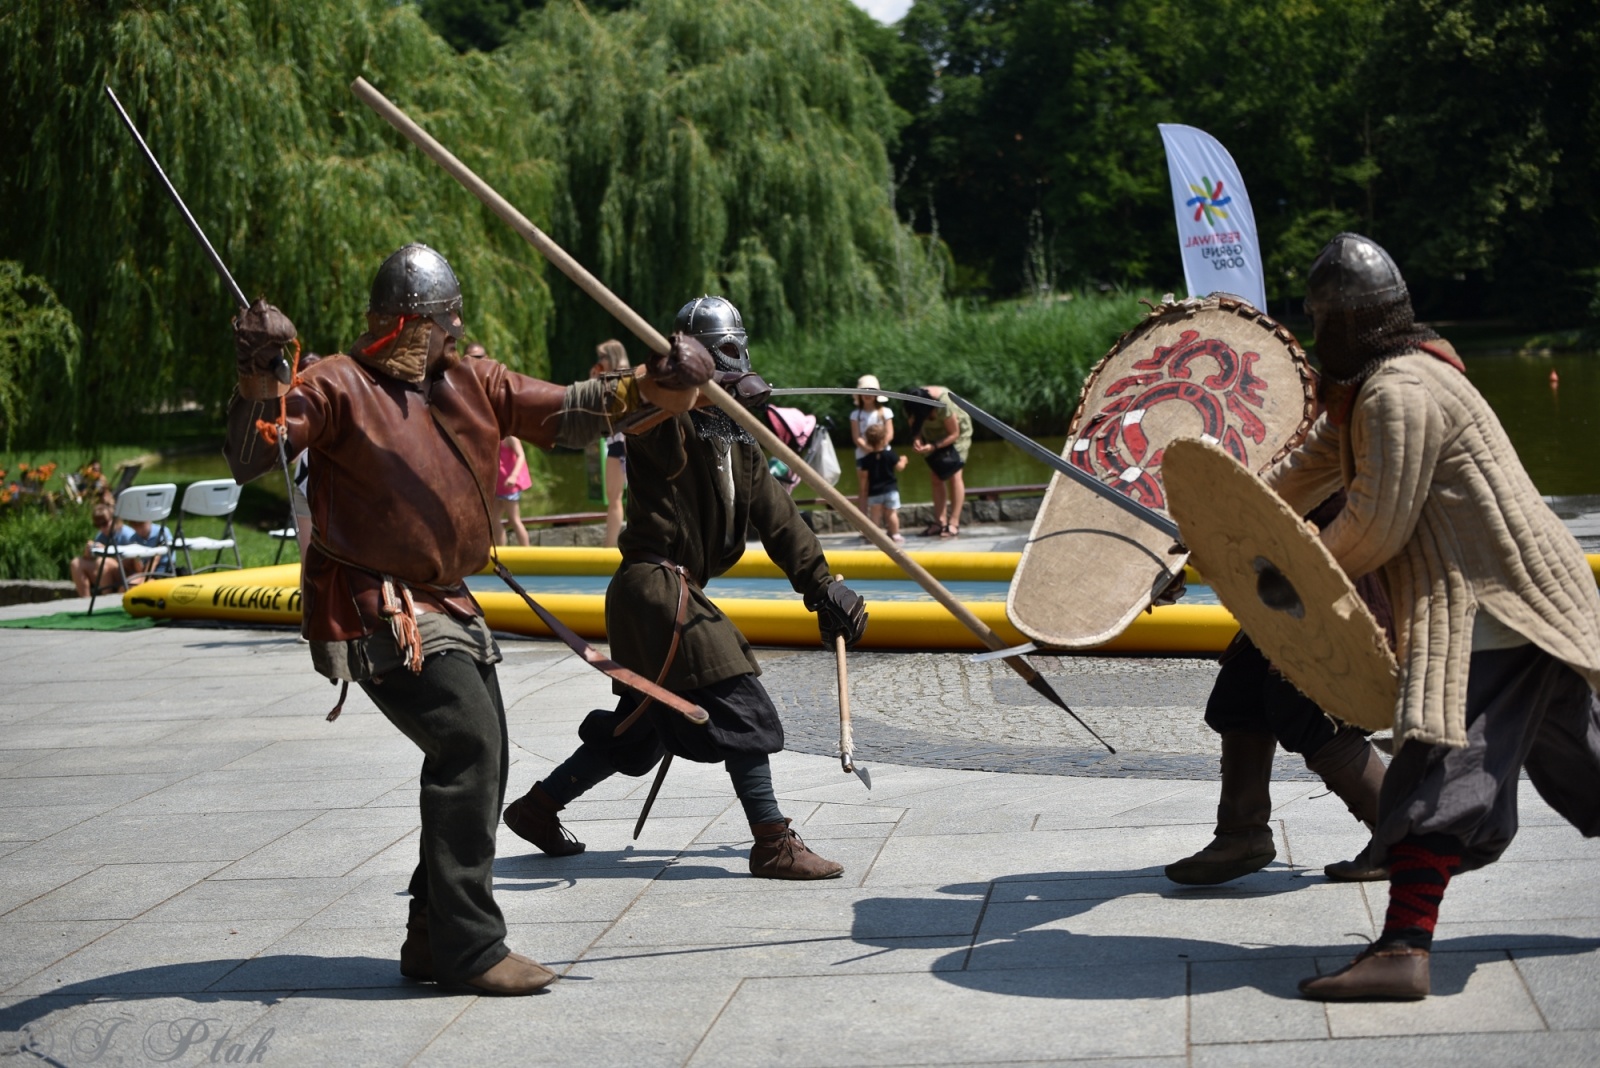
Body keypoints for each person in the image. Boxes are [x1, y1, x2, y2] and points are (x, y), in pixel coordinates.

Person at [222, 243, 711, 996]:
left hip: (447, 598)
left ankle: (429, 933)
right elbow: (256, 451)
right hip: (378, 603)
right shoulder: (336, 384)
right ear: (411, 324)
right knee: (469, 744)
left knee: (482, 754)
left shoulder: (471, 381)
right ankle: (469, 948)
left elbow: (568, 409)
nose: (453, 335)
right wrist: (261, 374)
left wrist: (654, 383)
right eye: (444, 324)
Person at [1255, 233, 1600, 1001]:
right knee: (1586, 762)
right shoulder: (1373, 386)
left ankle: (1404, 948)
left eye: (1322, 320)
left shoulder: (1399, 392)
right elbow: (1305, 470)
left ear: (1348, 321)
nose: (1316, 334)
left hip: (1495, 605)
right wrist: (1221, 523)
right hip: (1525, 602)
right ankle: (1404, 942)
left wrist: (1294, 573)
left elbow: (1375, 525)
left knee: (1441, 764)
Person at [502, 294, 868, 880]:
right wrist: (667, 382)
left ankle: (538, 808)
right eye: (721, 358)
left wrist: (822, 587)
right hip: (655, 590)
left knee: (642, 730)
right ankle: (771, 841)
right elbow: (628, 408)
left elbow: (779, 519)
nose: (735, 370)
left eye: (736, 356)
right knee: (742, 703)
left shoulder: (739, 441)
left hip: (671, 594)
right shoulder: (662, 422)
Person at [1165, 490, 1392, 886]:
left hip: (1329, 575)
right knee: (1242, 694)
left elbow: (1294, 489)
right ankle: (1242, 833)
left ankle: (1403, 837)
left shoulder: (1326, 456)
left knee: (1307, 705)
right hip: (1280, 578)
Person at [904, 386, 972, 537]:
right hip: (932, 435)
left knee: (955, 474)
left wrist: (934, 446)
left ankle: (954, 523)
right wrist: (917, 440)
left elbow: (954, 433)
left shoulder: (942, 403)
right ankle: (940, 522)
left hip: (956, 434)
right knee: (936, 476)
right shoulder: (911, 404)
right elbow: (914, 427)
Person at [591, 339, 631, 548]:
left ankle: (613, 544)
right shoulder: (611, 378)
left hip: (625, 442)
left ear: (613, 356)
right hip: (616, 442)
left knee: (621, 497)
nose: (599, 361)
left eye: (602, 357)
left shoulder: (622, 377)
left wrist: (596, 385)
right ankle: (610, 544)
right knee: (614, 497)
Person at [849, 374, 893, 513]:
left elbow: (889, 433)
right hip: (863, 455)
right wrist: (868, 448)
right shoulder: (855, 415)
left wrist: (879, 447)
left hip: (883, 454)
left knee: (886, 487)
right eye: (864, 391)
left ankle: (888, 520)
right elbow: (856, 437)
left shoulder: (885, 412)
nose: (867, 395)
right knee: (864, 488)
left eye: (871, 391)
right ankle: (863, 520)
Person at [859, 420, 907, 543]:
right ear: (884, 439)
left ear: (868, 441)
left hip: (874, 491)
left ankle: (875, 537)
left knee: (875, 514)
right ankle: (895, 534)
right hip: (891, 490)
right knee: (891, 513)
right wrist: (904, 460)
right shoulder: (890, 454)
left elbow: (864, 476)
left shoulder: (866, 459)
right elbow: (900, 467)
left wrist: (863, 490)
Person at [70, 502, 134, 595]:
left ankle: (106, 599)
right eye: (98, 525)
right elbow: (93, 560)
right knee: (76, 563)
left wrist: (107, 551)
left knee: (102, 562)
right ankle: (85, 600)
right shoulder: (101, 536)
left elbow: (133, 564)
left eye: (105, 523)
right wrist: (88, 553)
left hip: (126, 574)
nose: (102, 528)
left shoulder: (127, 534)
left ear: (113, 519)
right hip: (105, 572)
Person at [495, 435, 532, 547]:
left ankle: (526, 550)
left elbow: (521, 455)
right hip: (497, 485)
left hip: (509, 486)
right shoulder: (494, 434)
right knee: (494, 519)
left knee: (514, 519)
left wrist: (514, 475)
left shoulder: (510, 437)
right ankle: (500, 550)